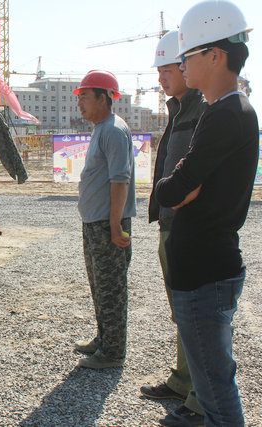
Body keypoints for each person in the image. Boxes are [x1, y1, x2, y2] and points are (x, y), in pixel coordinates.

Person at [155, 1, 258, 425]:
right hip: (205, 269)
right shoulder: (227, 111)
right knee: (212, 381)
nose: (180, 64)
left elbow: (171, 189)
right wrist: (181, 185)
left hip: (204, 273)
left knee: (216, 391)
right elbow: (182, 189)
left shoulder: (225, 115)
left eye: (187, 55)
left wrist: (176, 184)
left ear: (215, 55)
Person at [140, 30, 208, 421]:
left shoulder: (203, 110)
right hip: (171, 224)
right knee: (181, 311)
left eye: (168, 69)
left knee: (196, 314)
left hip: (188, 226)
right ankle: (183, 380)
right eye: (159, 70)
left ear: (186, 65)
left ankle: (201, 398)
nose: (162, 77)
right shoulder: (181, 109)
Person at [72, 70, 136, 369]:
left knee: (112, 290)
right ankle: (104, 339)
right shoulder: (102, 128)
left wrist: (114, 225)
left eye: (85, 96)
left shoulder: (113, 130)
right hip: (96, 223)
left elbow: (120, 180)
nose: (80, 103)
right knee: (100, 286)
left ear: (104, 97)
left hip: (107, 224)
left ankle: (113, 353)